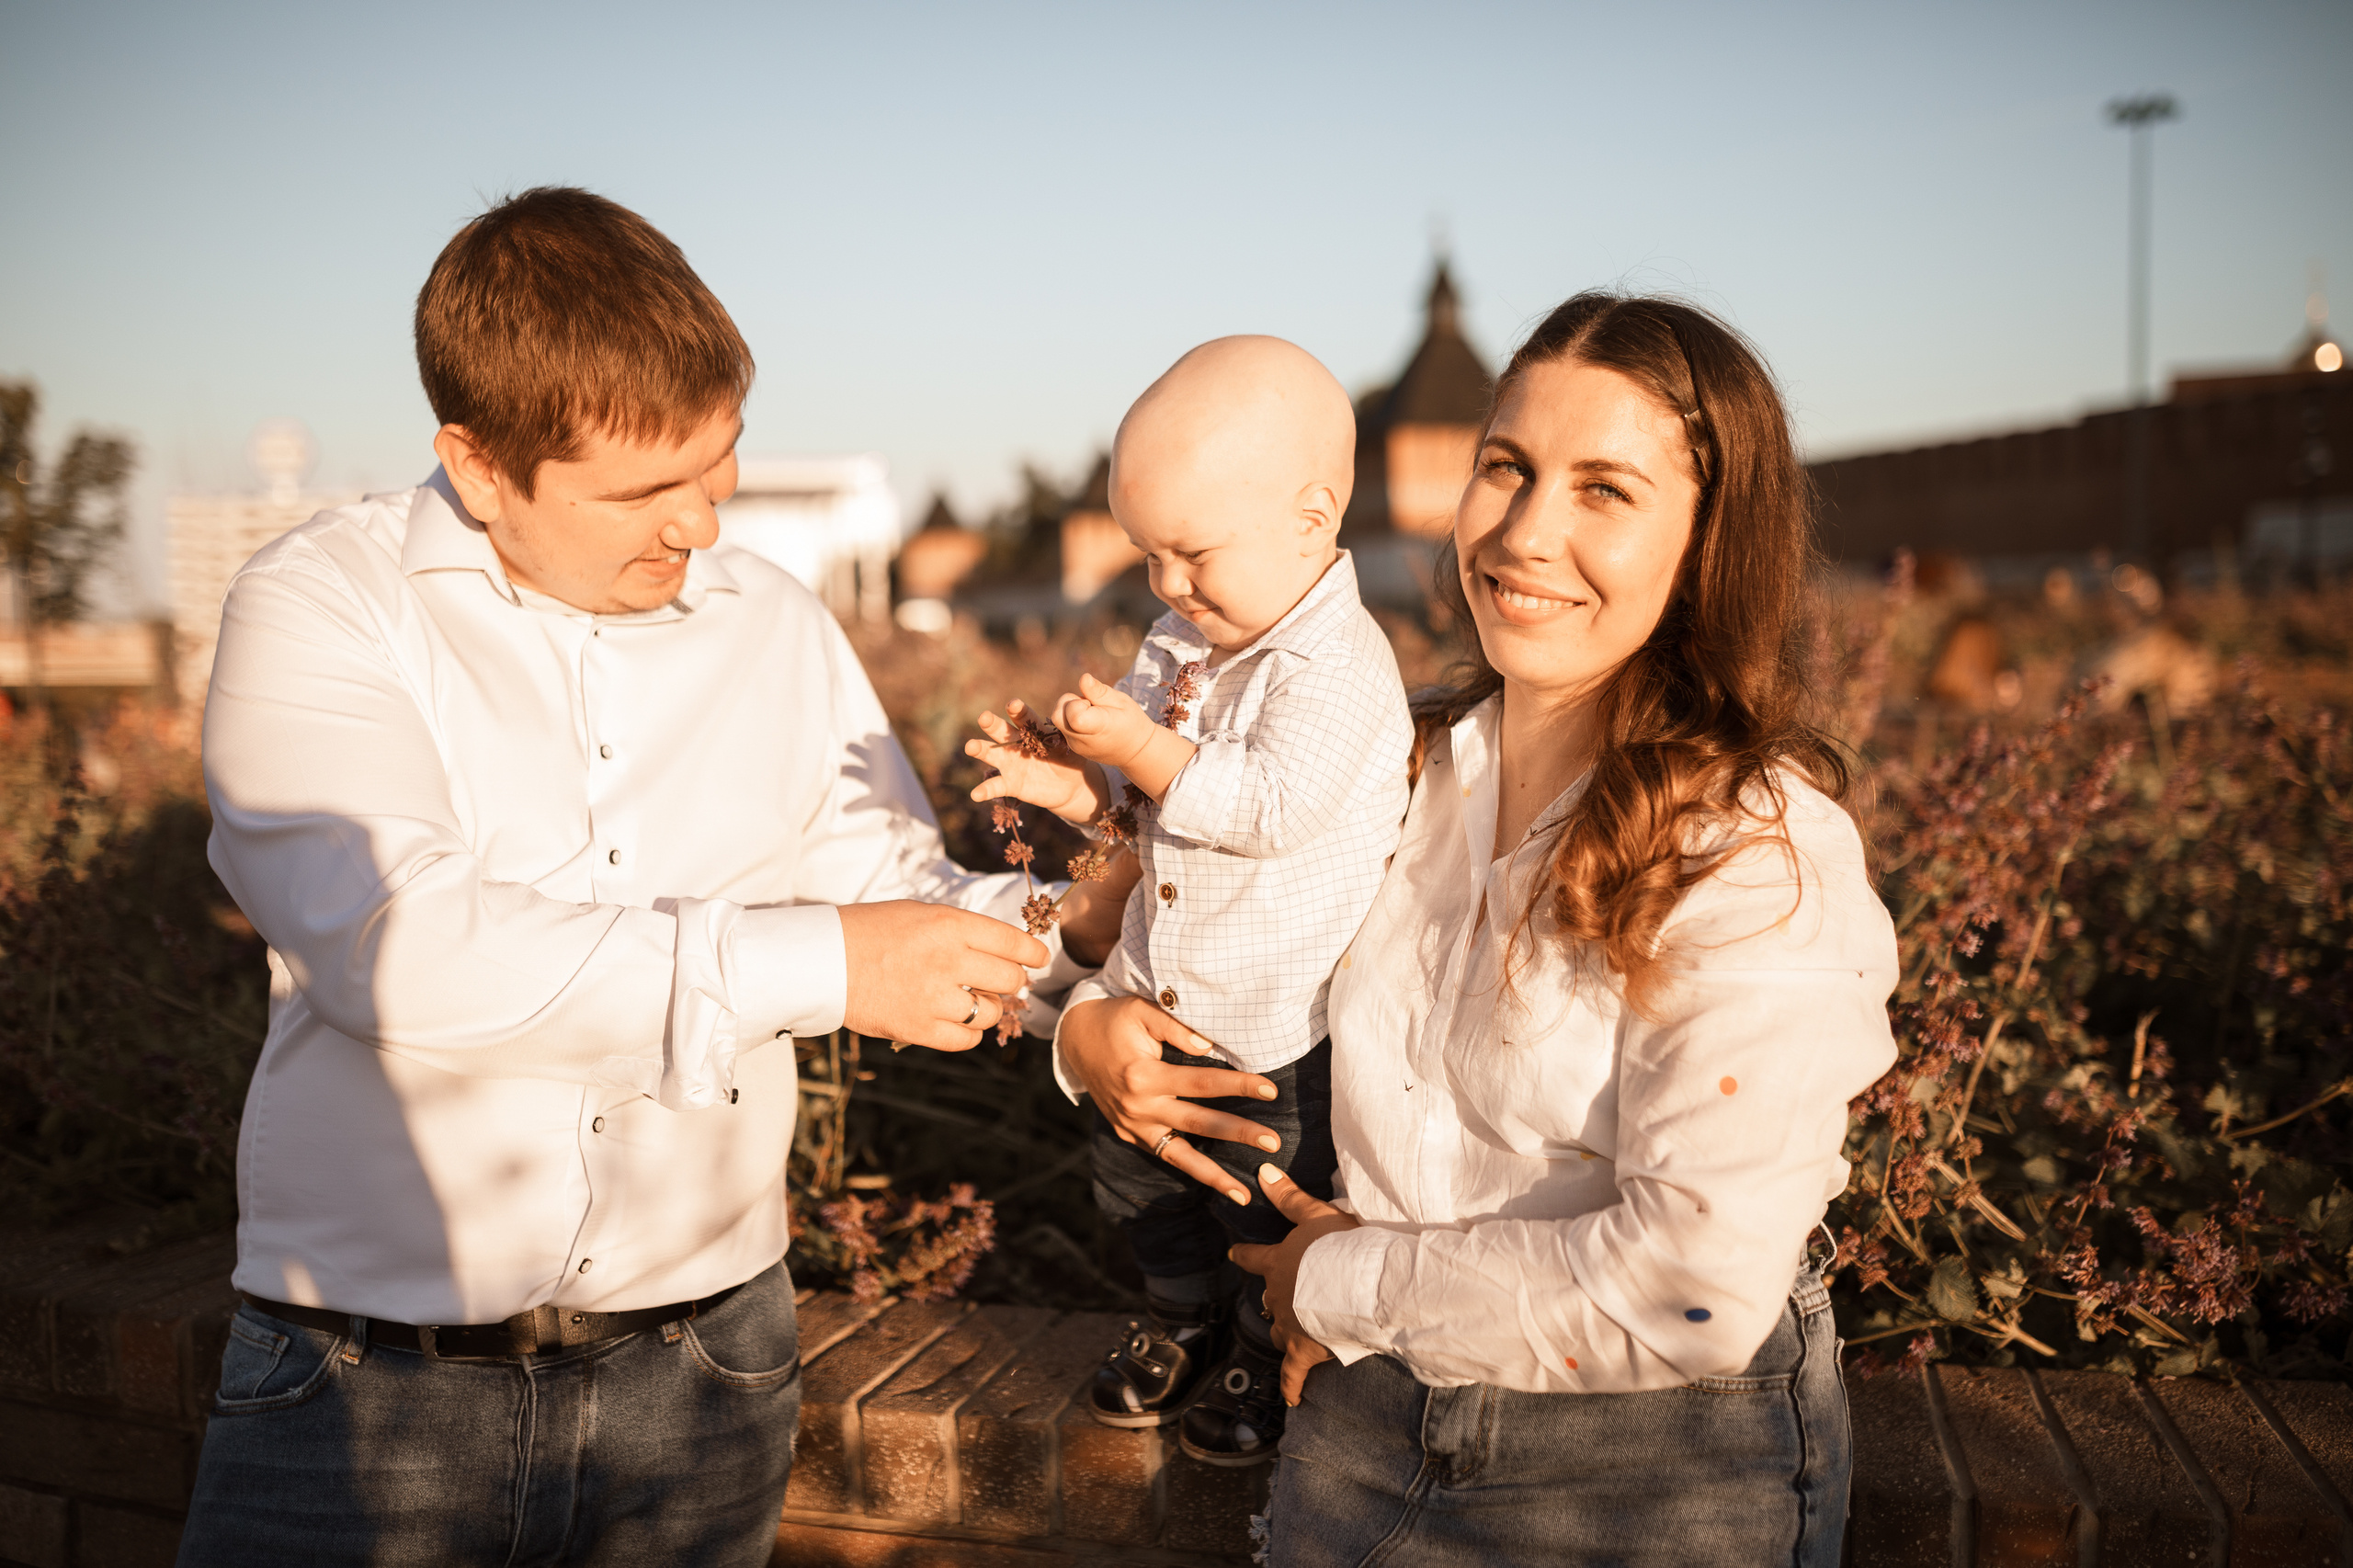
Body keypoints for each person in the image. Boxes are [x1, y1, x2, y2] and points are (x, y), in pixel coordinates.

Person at [177, 187, 1121, 1567]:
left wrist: (1071, 935)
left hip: (709, 1382)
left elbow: (888, 881)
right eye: (640, 491)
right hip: (362, 1405)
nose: (701, 527)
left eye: (719, 463)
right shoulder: (320, 606)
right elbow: (403, 947)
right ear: (480, 463)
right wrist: (833, 962)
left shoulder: (780, 627)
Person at [1059, 292, 1900, 1565]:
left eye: (1604, 489)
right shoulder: (1392, 772)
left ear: (1710, 541)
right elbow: (1185, 932)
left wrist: (1338, 1284)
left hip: (1648, 1469)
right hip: (1358, 1417)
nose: (1524, 531)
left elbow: (1692, 1287)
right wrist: (1092, 1032)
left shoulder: (1756, 859)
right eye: (1506, 467)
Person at [965, 336, 1413, 1467]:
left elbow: (1265, 805)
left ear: (1311, 520)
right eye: (1147, 554)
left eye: (1193, 552)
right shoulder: (1185, 637)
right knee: (1137, 1181)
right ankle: (1180, 1315)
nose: (1167, 585)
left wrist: (1147, 749)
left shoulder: (1338, 666)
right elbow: (1135, 793)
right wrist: (1070, 777)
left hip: (1277, 1029)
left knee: (1267, 1203)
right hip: (1156, 995)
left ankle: (1262, 1342)